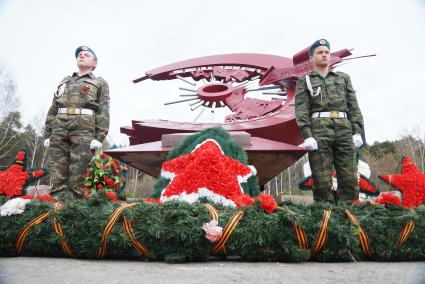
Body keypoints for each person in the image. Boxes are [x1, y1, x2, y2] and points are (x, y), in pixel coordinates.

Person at [295, 39, 364, 204]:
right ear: (311, 58)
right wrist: (307, 135)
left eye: (327, 52)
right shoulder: (305, 81)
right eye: (320, 52)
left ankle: (350, 219)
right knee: (321, 179)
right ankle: (325, 219)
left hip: (344, 129)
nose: (324, 55)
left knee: (349, 178)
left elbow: (353, 106)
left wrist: (357, 131)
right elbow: (301, 110)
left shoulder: (343, 78)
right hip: (319, 130)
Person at [43, 46, 110, 198]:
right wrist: (47, 134)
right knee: (57, 173)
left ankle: (74, 211)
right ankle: (57, 209)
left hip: (83, 129)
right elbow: (54, 107)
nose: (82, 56)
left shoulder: (99, 82)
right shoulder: (64, 81)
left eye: (87, 55)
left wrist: (99, 138)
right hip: (59, 127)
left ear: (95, 63)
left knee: (78, 176)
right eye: (80, 54)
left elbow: (104, 110)